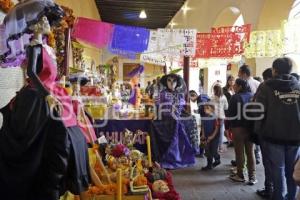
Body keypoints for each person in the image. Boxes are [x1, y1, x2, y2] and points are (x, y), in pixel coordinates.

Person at [0, 1, 90, 199]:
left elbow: (50, 73)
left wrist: (61, 88)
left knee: (74, 135)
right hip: (37, 96)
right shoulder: (34, 46)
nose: (46, 23)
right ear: (33, 25)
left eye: (47, 19)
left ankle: (70, 181)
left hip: (53, 92)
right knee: (52, 140)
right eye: (42, 20)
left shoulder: (47, 47)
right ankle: (46, 185)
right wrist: (47, 95)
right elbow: (32, 73)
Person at [256, 57, 300, 200]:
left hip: (273, 136)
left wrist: (257, 132)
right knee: (292, 171)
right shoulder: (298, 86)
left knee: (277, 170)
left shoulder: (266, 87)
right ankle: (291, 197)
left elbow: (259, 111)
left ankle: (278, 197)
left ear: (274, 70)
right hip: (295, 137)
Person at [150, 74, 199, 169]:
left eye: (174, 81)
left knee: (188, 122)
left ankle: (178, 157)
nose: (172, 83)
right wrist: (156, 115)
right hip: (166, 120)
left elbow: (180, 107)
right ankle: (170, 158)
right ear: (166, 82)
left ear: (177, 83)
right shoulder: (162, 93)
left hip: (176, 120)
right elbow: (157, 107)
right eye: (169, 80)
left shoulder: (179, 94)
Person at [227, 79, 257, 185]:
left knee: (239, 153)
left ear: (239, 86)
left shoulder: (235, 97)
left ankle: (240, 175)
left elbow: (230, 113)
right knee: (250, 152)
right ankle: (252, 176)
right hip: (251, 128)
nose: (234, 86)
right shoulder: (253, 95)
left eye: (235, 84)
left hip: (238, 128)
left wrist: (228, 127)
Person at [255, 68, 274, 199]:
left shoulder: (265, 87)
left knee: (269, 163)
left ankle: (270, 189)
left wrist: (257, 131)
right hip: (292, 134)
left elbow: (257, 109)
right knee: (285, 166)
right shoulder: (295, 86)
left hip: (268, 132)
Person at [238, 64, 261, 164]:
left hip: (246, 116)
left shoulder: (245, 84)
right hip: (257, 115)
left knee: (245, 143)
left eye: (239, 72)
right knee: (253, 140)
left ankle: (243, 165)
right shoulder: (258, 83)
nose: (238, 75)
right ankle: (256, 158)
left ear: (244, 73)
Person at [201, 104, 221, 170]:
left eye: (207, 108)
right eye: (204, 108)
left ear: (212, 109)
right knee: (207, 150)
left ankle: (217, 159)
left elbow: (216, 128)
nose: (205, 110)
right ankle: (209, 165)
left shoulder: (215, 117)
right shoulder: (204, 117)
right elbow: (203, 126)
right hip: (207, 136)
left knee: (213, 150)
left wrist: (212, 136)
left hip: (214, 137)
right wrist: (203, 134)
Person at [211, 84, 228, 152]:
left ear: (214, 90)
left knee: (214, 131)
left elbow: (210, 107)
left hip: (214, 116)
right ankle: (220, 147)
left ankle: (214, 147)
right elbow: (226, 107)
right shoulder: (224, 97)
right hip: (221, 116)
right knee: (220, 132)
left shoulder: (212, 97)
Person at [223, 75, 235, 147]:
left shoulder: (236, 88)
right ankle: (228, 140)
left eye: (233, 80)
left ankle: (233, 140)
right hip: (227, 109)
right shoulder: (224, 89)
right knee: (227, 125)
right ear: (227, 81)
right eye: (230, 80)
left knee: (232, 125)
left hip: (234, 109)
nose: (231, 82)